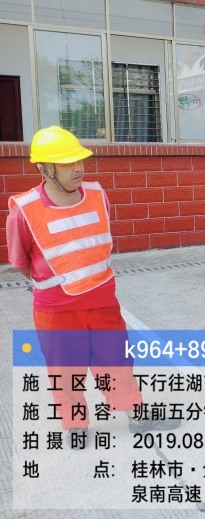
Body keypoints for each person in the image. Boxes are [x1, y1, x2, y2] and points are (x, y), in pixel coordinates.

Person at [6, 126, 179, 442]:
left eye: (79, 161)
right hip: (56, 308)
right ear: (44, 169)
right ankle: (75, 425)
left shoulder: (98, 195)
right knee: (65, 370)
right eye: (67, 163)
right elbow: (19, 262)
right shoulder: (25, 210)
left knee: (118, 362)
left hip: (103, 301)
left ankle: (137, 415)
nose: (78, 168)